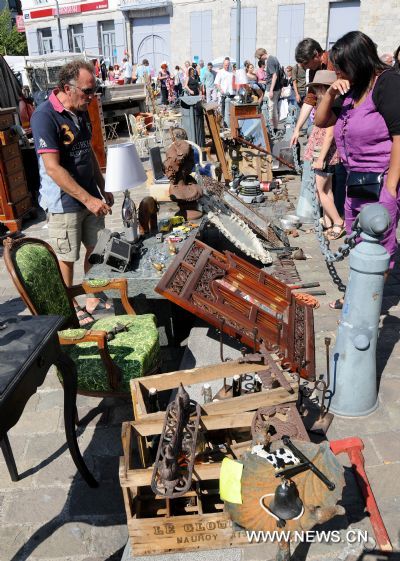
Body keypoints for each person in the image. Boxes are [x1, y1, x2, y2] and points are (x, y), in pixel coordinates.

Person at [314, 31, 400, 308]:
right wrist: (329, 92)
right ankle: (357, 295)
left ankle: (364, 305)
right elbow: (321, 121)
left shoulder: (386, 84)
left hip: (382, 181)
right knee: (357, 245)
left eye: (341, 65)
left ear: (359, 61)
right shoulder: (350, 91)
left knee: (380, 249)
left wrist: (390, 189)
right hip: (356, 183)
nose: (338, 71)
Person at [30, 60, 114, 325]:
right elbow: (53, 169)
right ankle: (70, 305)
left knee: (96, 247)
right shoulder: (44, 115)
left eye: (94, 90)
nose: (92, 97)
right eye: (87, 91)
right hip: (63, 202)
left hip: (88, 195)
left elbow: (87, 150)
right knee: (66, 258)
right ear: (67, 87)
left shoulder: (80, 109)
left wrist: (102, 186)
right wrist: (89, 200)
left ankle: (91, 294)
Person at [303, 70, 343, 240]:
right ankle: (328, 221)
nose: (316, 91)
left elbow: (329, 135)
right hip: (323, 153)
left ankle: (338, 222)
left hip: (324, 155)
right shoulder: (327, 104)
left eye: (318, 87)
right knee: (326, 190)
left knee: (321, 191)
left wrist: (320, 158)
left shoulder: (331, 106)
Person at [255, 47, 282, 131]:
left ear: (262, 55)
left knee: (267, 108)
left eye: (259, 58)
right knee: (273, 109)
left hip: (272, 88)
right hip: (277, 88)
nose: (260, 60)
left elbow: (274, 75)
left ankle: (265, 128)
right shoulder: (274, 58)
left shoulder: (270, 60)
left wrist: (270, 90)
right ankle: (275, 128)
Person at [214, 57, 234, 127]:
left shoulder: (231, 72)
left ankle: (229, 125)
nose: (227, 66)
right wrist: (221, 90)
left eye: (228, 64)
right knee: (222, 111)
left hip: (231, 94)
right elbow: (216, 83)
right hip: (223, 95)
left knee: (230, 111)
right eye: (226, 65)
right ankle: (223, 125)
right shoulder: (220, 72)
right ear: (223, 65)